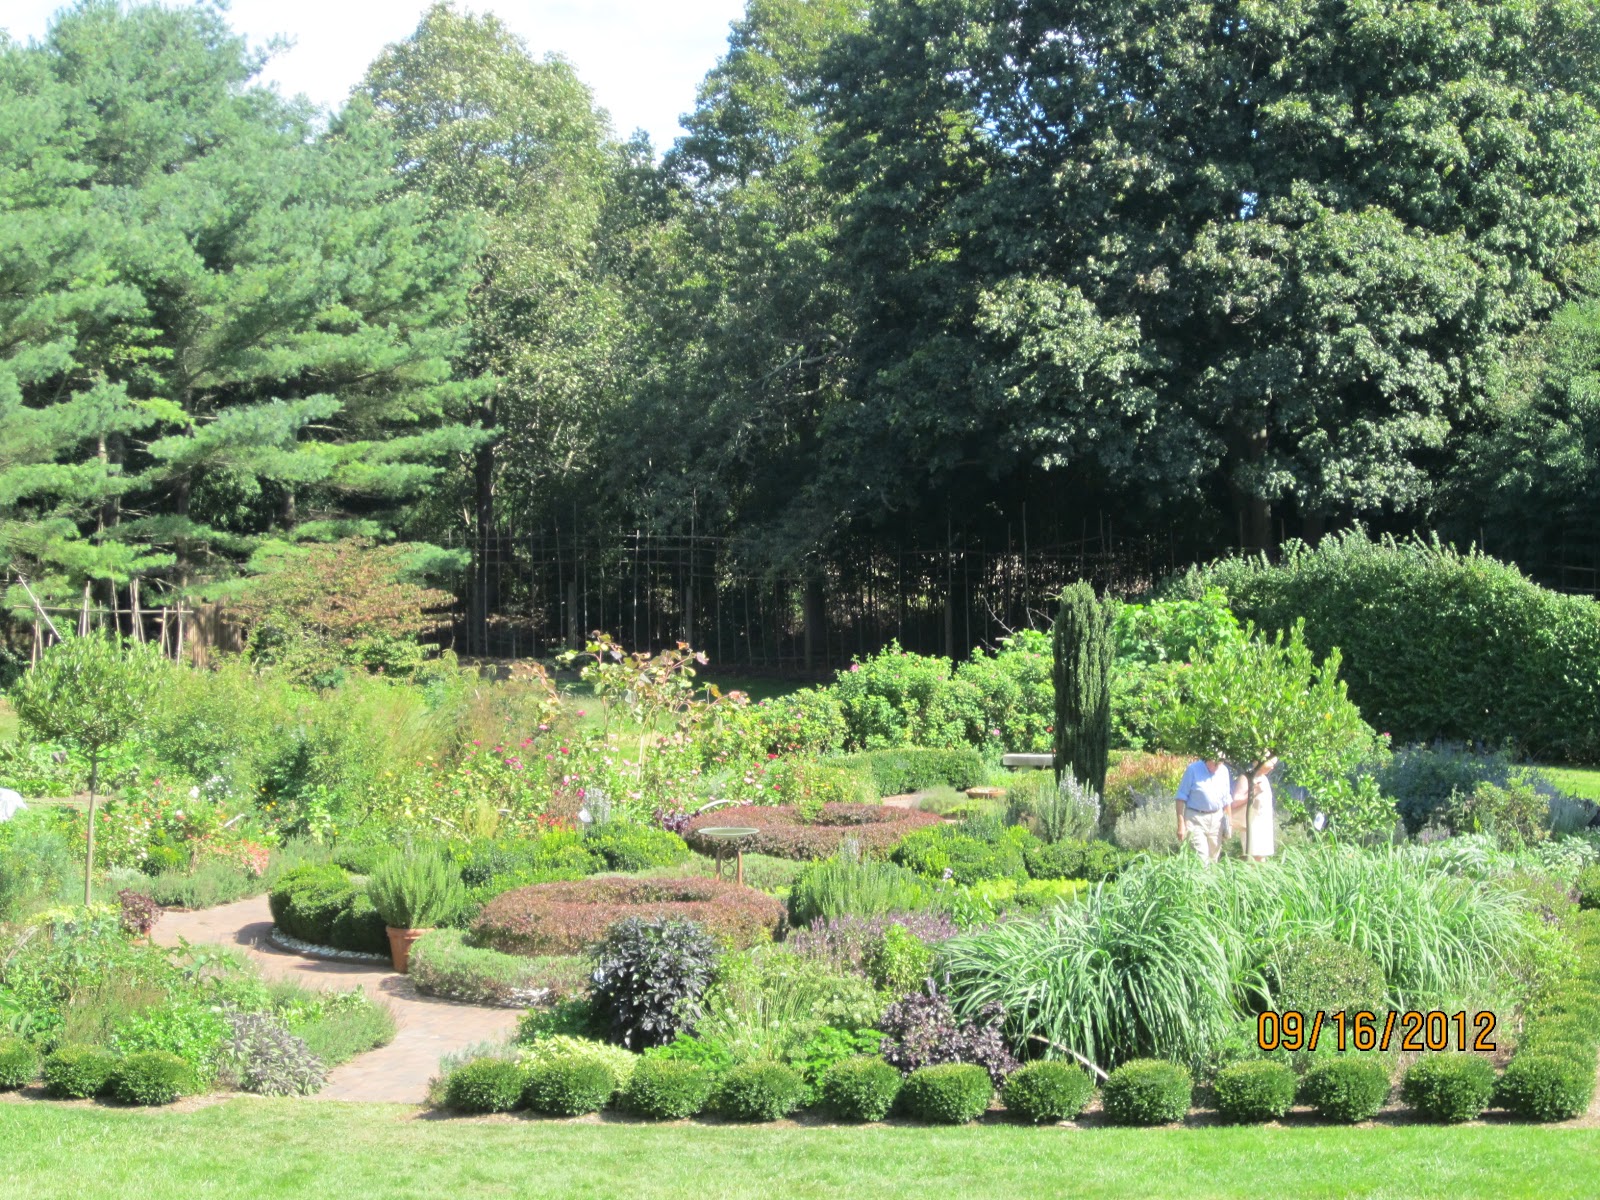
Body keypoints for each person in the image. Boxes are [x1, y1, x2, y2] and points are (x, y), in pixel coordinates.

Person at [1175, 755, 1232, 864]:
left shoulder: (1224, 771)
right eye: (1214, 763)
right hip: (1195, 819)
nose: (1217, 767)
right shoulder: (1193, 770)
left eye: (1220, 763)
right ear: (1207, 759)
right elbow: (1180, 798)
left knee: (1213, 860)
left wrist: (1229, 823)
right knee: (1201, 859)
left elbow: (1227, 799)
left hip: (1217, 819)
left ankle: (1211, 876)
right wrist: (1180, 824)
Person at [1230, 756, 1278, 862]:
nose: (1273, 768)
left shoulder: (1264, 779)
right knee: (1253, 858)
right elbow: (1236, 801)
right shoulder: (1247, 777)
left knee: (1262, 858)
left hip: (1264, 825)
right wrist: (1254, 791)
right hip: (1251, 825)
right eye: (1271, 764)